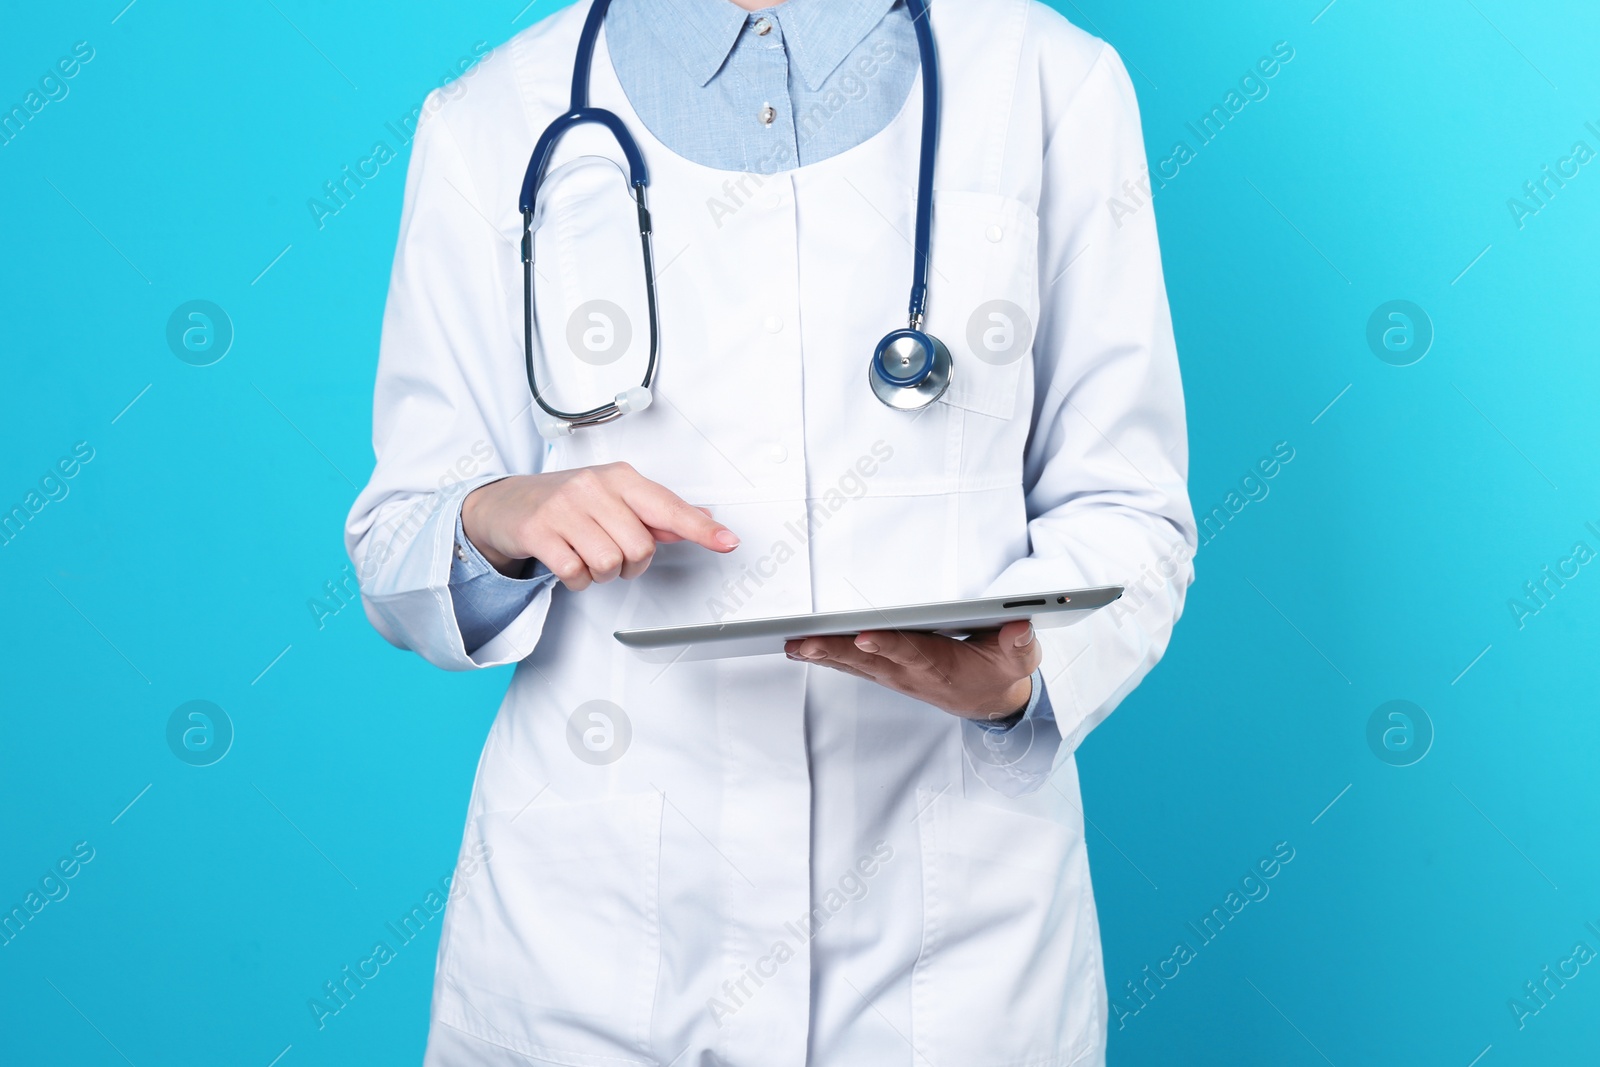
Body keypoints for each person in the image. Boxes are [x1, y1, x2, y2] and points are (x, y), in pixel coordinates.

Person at [345, 0, 1195, 1063]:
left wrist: (1025, 675)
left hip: (953, 956)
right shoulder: (491, 116)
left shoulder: (1049, 79)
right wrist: (497, 517)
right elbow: (396, 542)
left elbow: (1131, 504)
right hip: (592, 945)